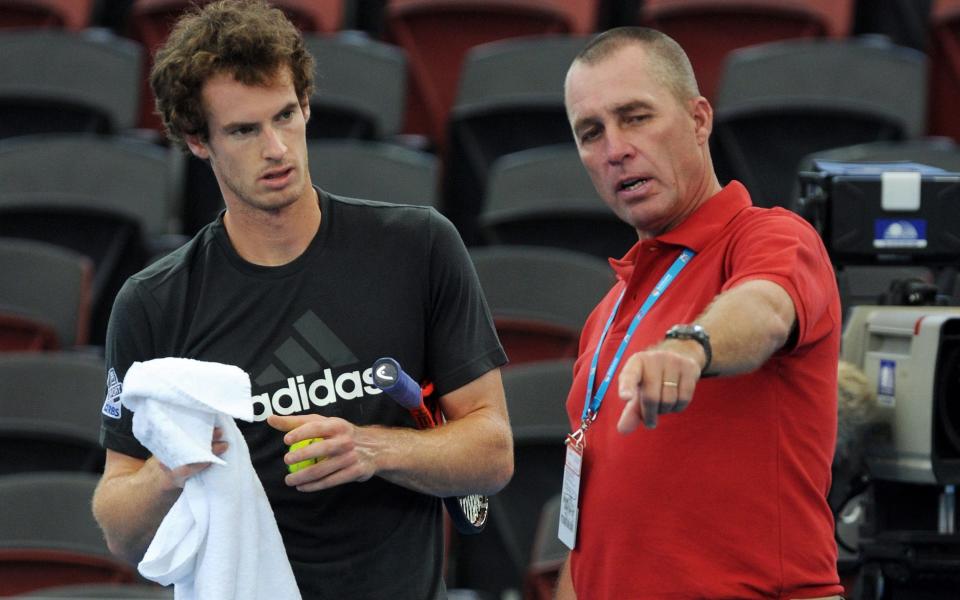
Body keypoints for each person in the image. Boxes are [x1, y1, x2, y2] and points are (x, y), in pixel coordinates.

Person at [92, 2, 513, 598]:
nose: (277, 148)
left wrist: (371, 449)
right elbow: (120, 528)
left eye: (285, 116)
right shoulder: (152, 302)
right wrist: (170, 470)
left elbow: (492, 452)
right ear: (197, 140)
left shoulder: (417, 246)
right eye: (244, 130)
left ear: (306, 105)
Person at [556, 27, 844, 599]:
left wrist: (692, 346)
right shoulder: (608, 312)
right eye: (591, 132)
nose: (614, 148)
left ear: (699, 119)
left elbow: (763, 309)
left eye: (635, 117)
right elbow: (588, 535)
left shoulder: (771, 236)